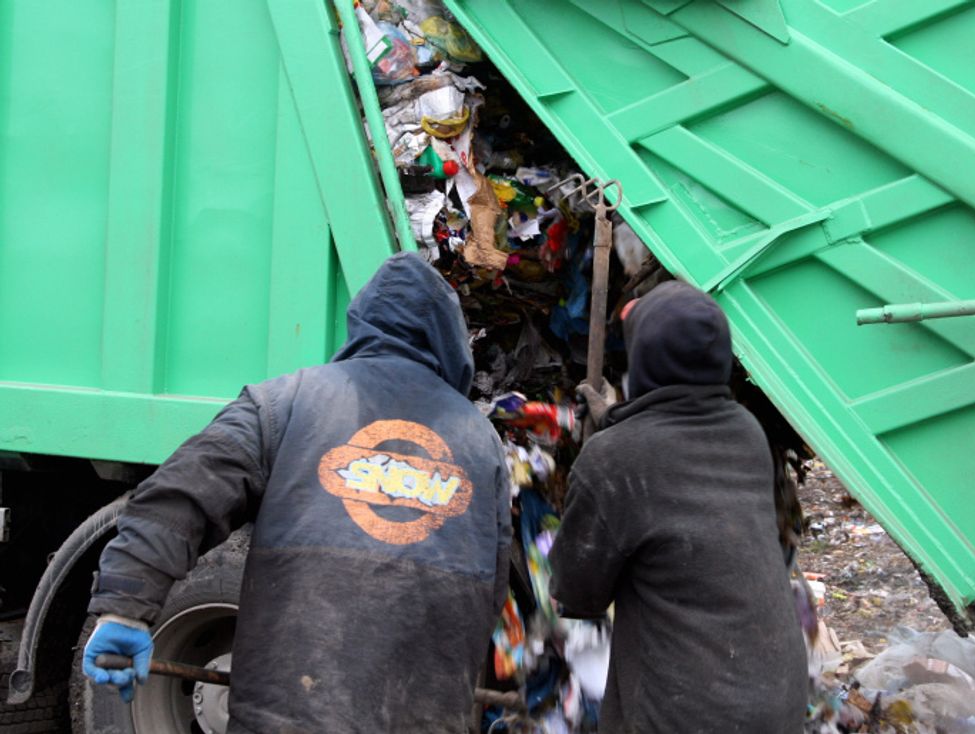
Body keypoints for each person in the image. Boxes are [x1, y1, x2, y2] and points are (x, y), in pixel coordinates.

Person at [82, 252, 511, 733]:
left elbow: (176, 499)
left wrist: (124, 612)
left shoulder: (281, 405)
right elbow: (492, 590)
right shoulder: (482, 443)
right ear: (449, 339)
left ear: (363, 324)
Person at [549, 280, 808, 733]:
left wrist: (602, 452)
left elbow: (577, 595)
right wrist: (613, 419)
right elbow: (672, 441)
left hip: (688, 714)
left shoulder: (613, 461)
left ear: (643, 358)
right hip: (778, 700)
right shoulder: (746, 432)